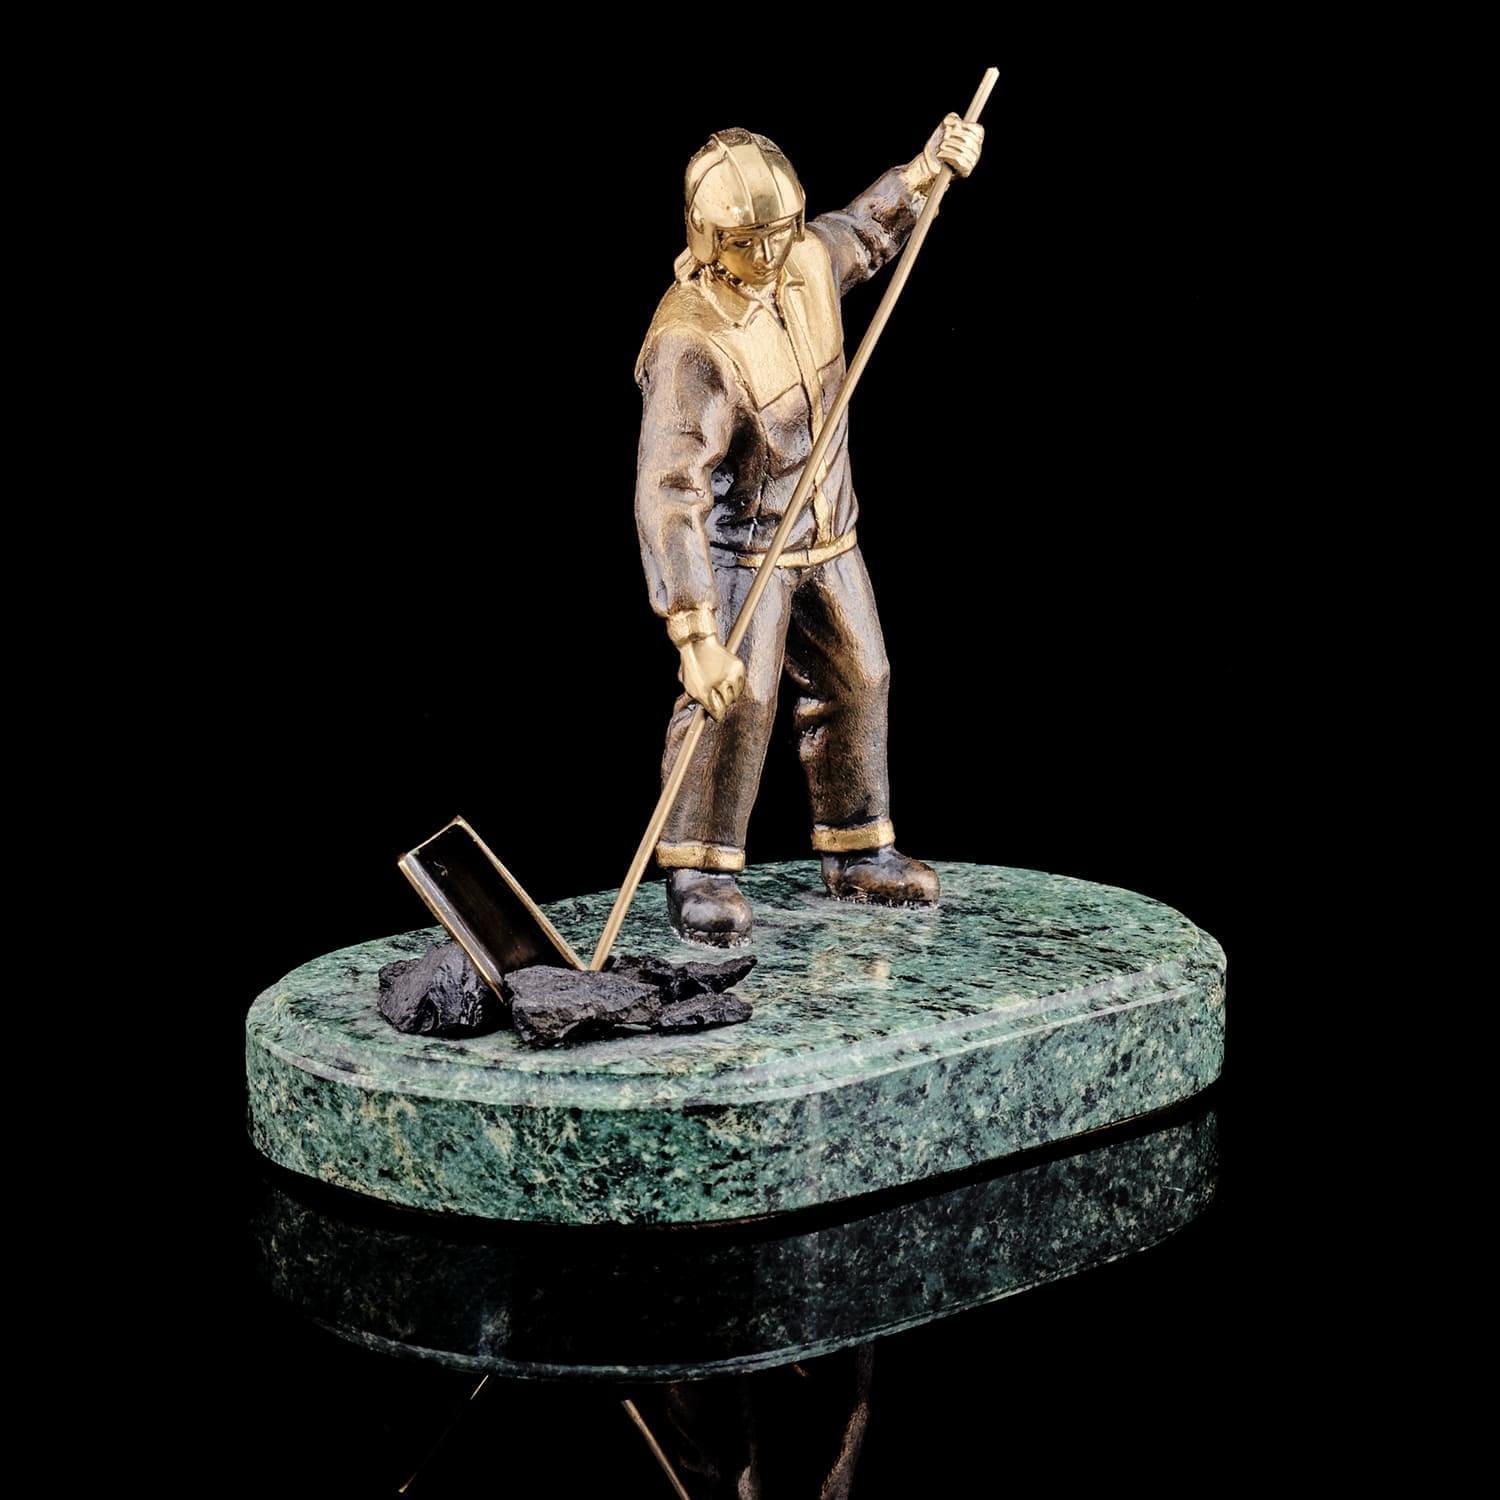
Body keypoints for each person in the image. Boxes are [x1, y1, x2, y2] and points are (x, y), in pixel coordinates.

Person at [633, 114, 984, 946]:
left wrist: (928, 169)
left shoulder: (804, 264)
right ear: (708, 239)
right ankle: (699, 866)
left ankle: (858, 848)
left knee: (862, 675)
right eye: (747, 241)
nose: (768, 253)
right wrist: (695, 634)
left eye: (780, 231)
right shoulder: (690, 340)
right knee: (737, 699)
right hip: (743, 552)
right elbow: (670, 490)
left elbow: (863, 230)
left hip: (829, 533)